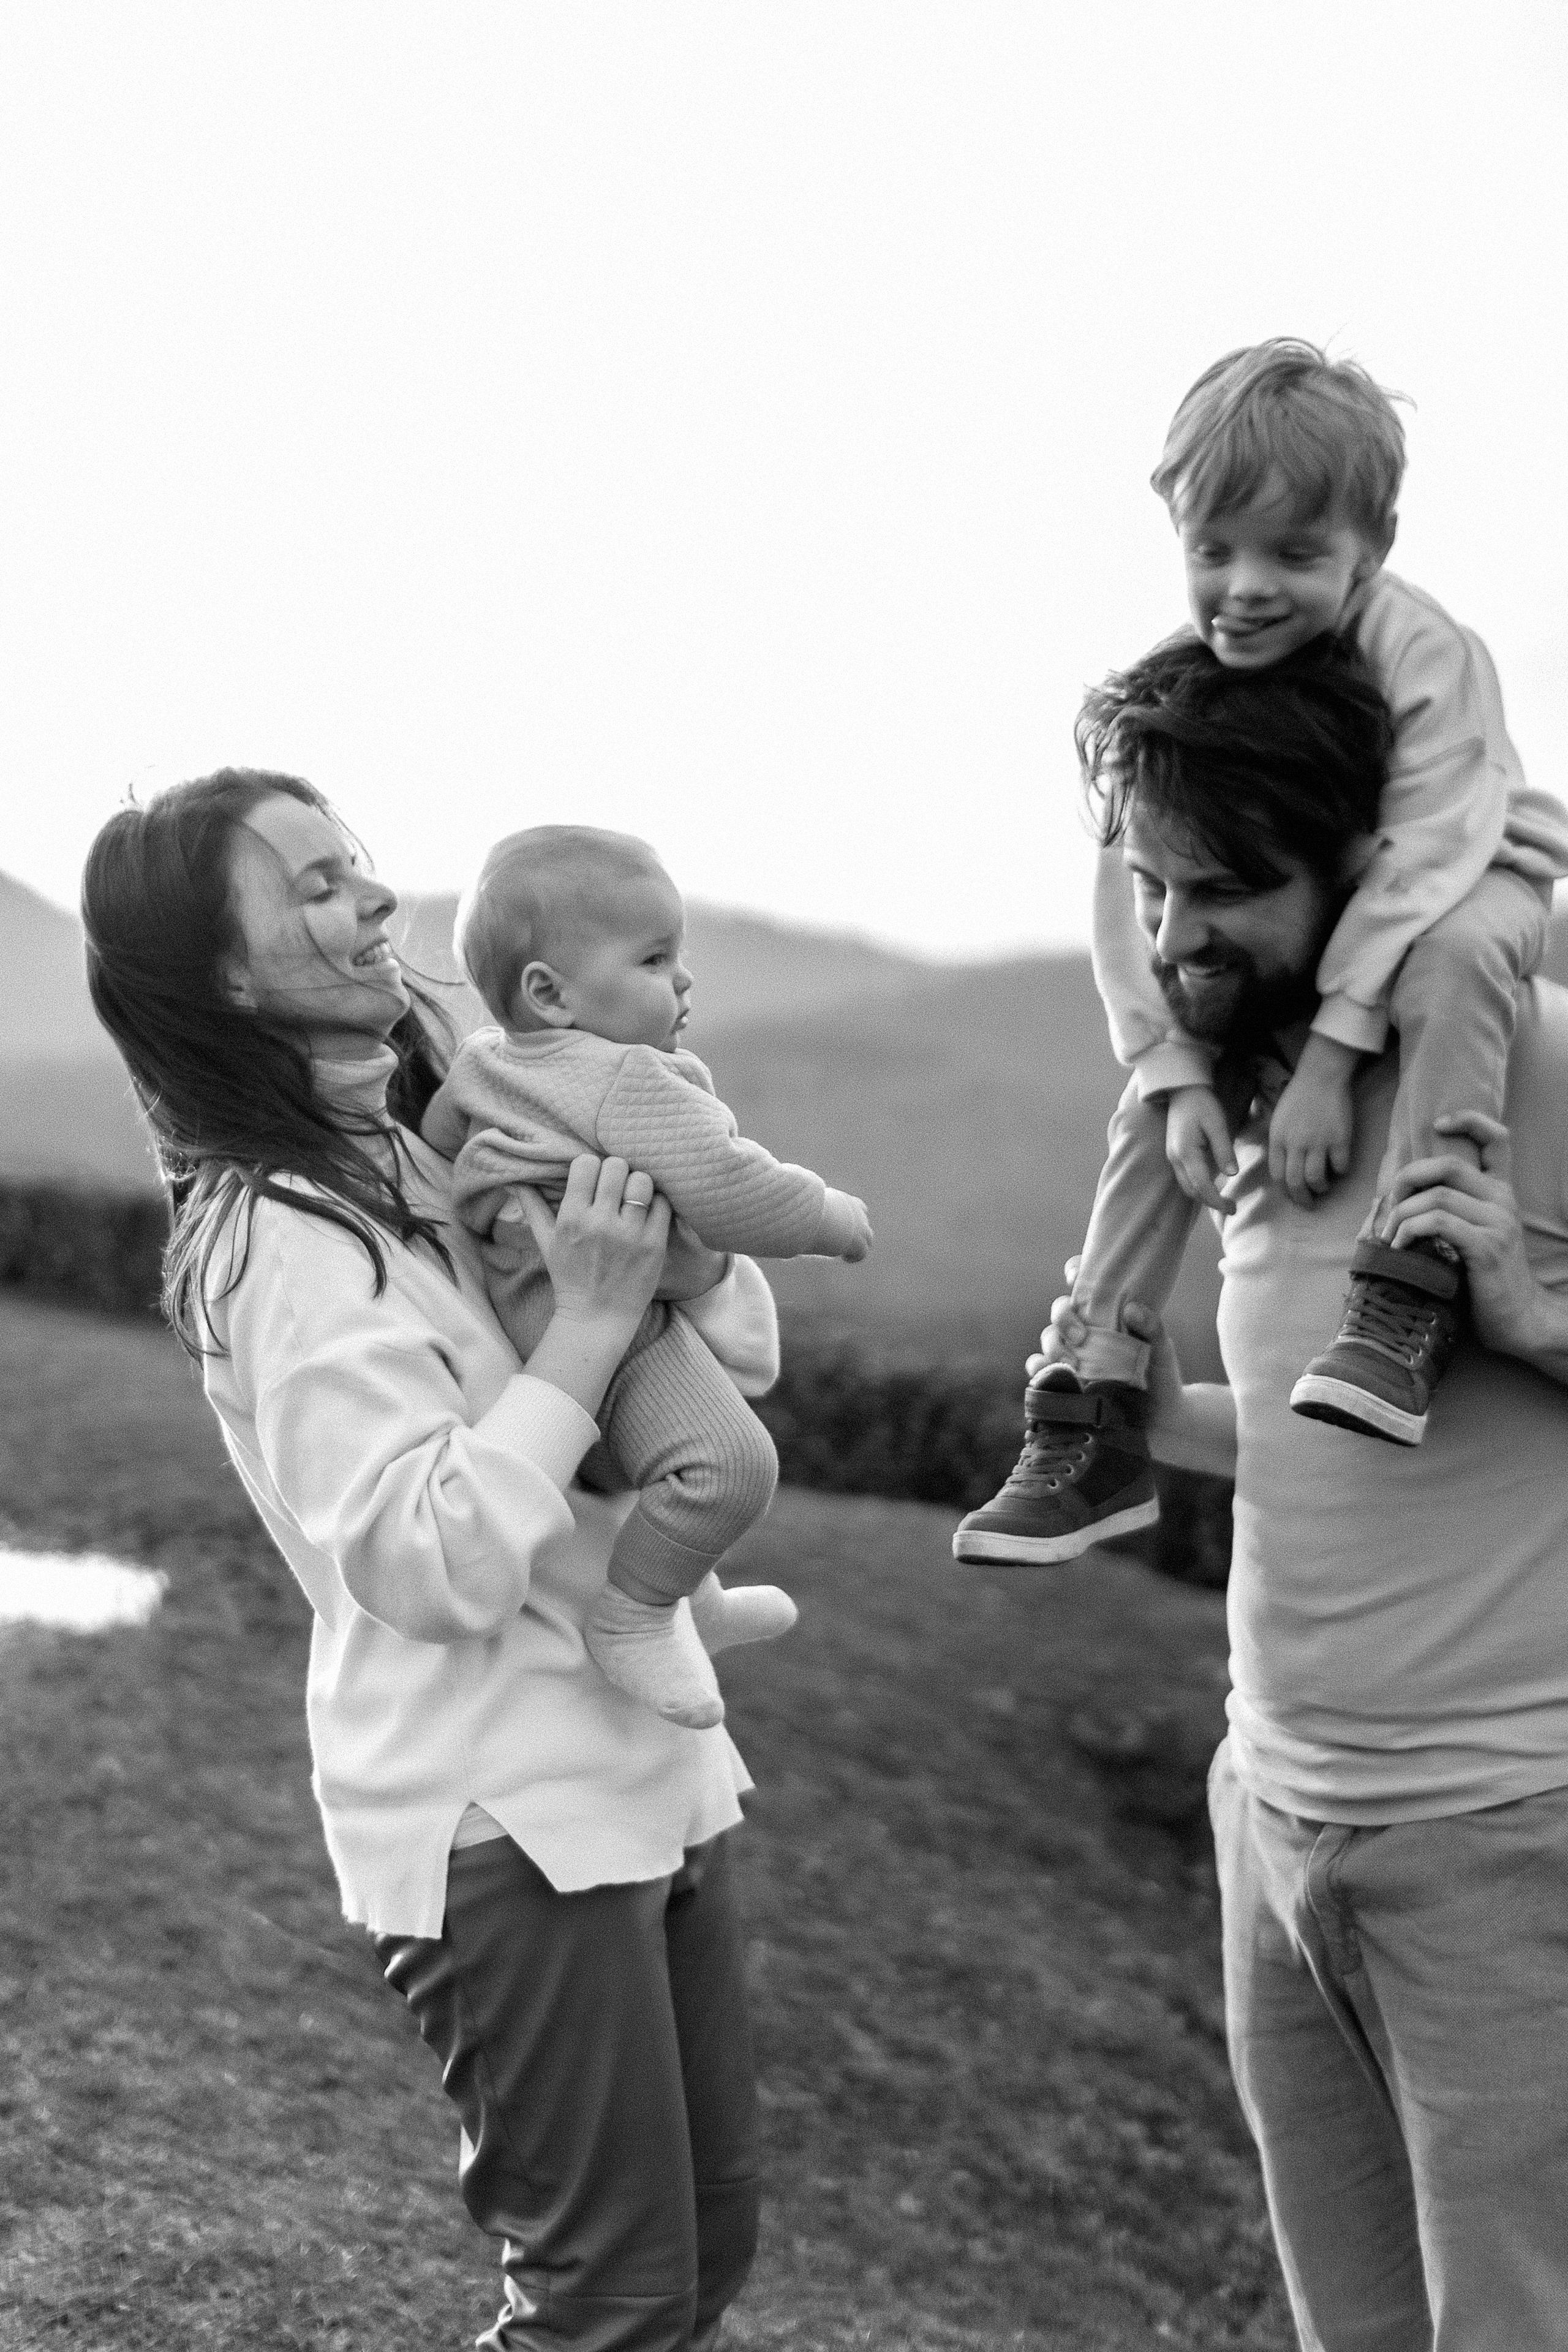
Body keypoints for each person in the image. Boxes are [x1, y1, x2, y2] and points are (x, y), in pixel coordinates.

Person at [81, 769, 781, 2352]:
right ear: (226, 978)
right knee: (604, 2298)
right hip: (492, 1808)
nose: (374, 903)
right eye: (314, 887)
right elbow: (422, 1555)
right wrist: (594, 1322)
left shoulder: (435, 1142)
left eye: (360, 866)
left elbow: (728, 1349)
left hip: (639, 1756)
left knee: (702, 2254)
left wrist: (682, 1241)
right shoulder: (274, 1241)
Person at [1036, 640, 1568, 2346]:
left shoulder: (1536, 1065)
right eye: (1151, 884)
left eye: (1229, 888)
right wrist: (1128, 1412)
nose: (1181, 935)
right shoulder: (1259, 1104)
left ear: (1368, 874)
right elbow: (1307, 1434)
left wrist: (1534, 1316)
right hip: (1274, 1820)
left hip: (1509, 1840)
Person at [954, 338, 1568, 1567]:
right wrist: (1178, 1074)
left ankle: (1413, 1275)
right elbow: (1330, 1457)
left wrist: (1526, 1317)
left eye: (1291, 554)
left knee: (1452, 959)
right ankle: (1103, 1396)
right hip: (1277, 1764)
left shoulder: (1419, 661)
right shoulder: (1200, 697)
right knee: (1151, 1093)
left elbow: (1424, 859)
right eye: (1213, 551)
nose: (1244, 588)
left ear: (1370, 545)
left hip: (1470, 872)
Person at [423, 824, 873, 1730]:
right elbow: (735, 1190)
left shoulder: (481, 1063)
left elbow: (436, 1151)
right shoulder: (629, 1080)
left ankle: (693, 1605)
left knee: (682, 1447)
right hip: (607, 1321)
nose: (683, 979)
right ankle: (636, 1615)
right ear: (550, 994)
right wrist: (830, 1216)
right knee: (730, 1466)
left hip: (527, 1317)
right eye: (655, 958)